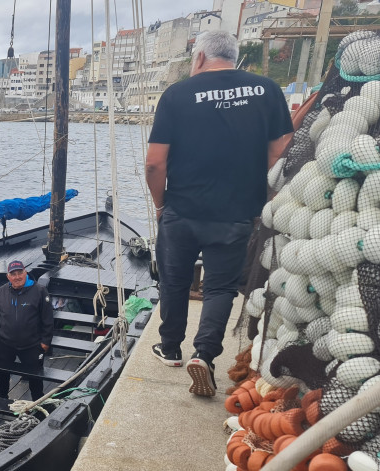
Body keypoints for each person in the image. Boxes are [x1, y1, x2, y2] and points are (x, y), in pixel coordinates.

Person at [145, 30, 293, 397]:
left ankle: (171, 349)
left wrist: (161, 204)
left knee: (175, 281)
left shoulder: (177, 94)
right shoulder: (267, 90)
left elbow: (154, 164)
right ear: (235, 58)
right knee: (221, 287)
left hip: (182, 208)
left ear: (198, 58)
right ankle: (205, 355)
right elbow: (281, 151)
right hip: (236, 211)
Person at [0, 260, 53, 399]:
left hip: (32, 345)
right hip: (5, 344)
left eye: (20, 273)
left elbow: (48, 319)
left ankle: (37, 402)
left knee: (35, 377)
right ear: (8, 277)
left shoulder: (40, 291)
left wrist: (45, 342)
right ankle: (2, 398)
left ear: (25, 273)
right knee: (2, 374)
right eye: (13, 274)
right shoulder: (0, 292)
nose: (17, 277)